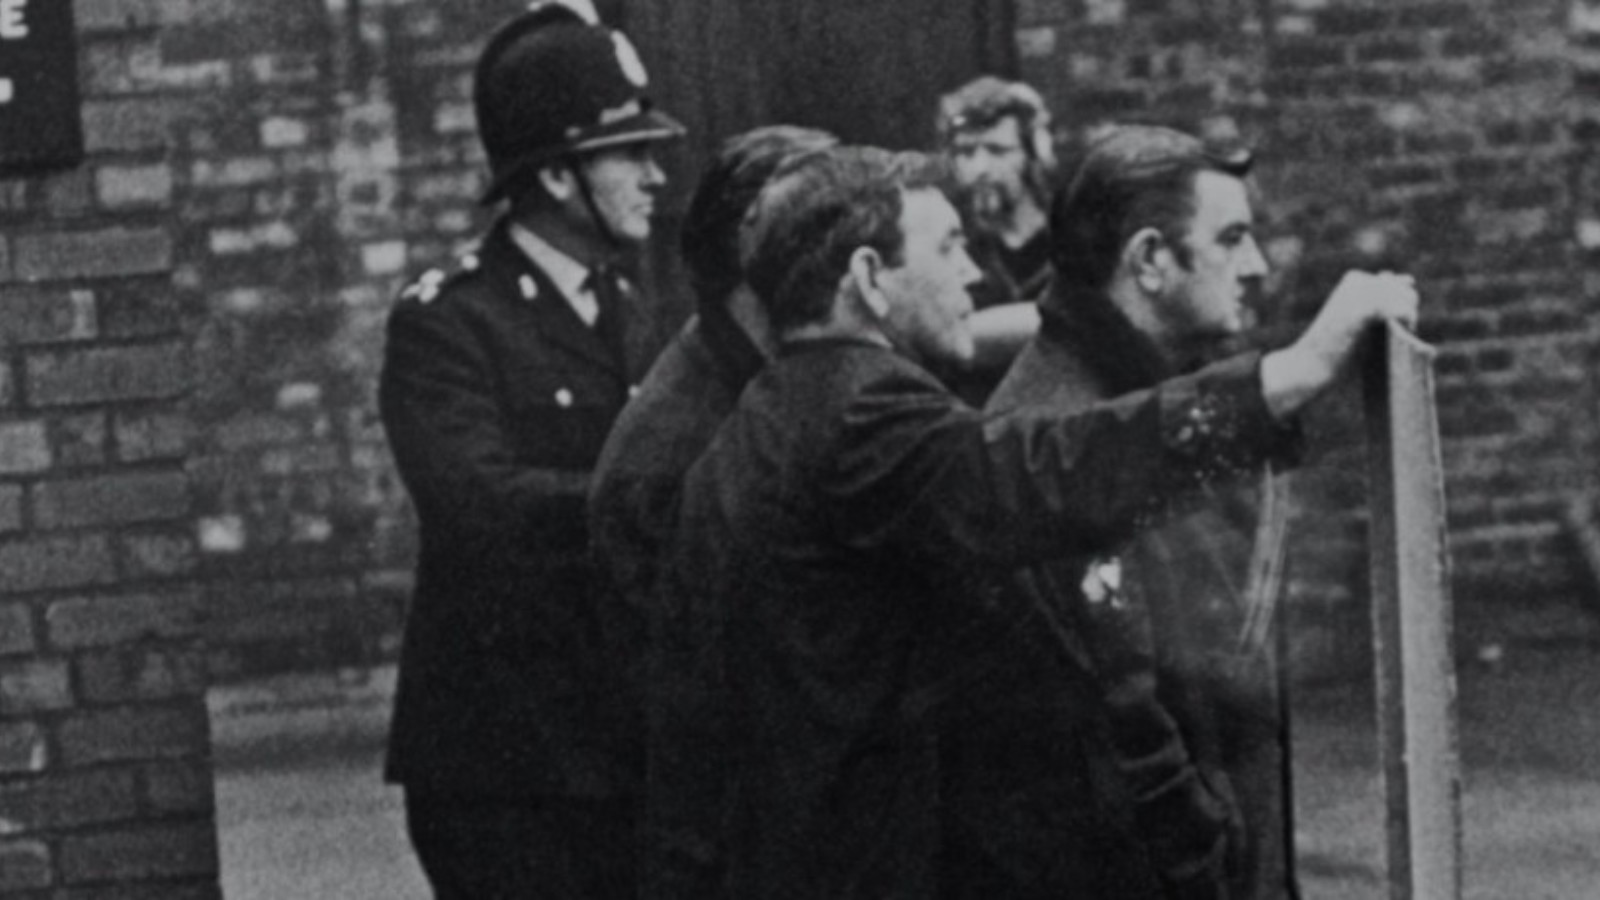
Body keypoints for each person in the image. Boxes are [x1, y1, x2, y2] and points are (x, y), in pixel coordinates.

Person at [658, 144, 1414, 897]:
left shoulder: (772, 416)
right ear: (867, 280)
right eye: (949, 247)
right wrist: (1292, 374)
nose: (973, 276)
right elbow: (1051, 469)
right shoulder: (859, 416)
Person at [376, 3, 684, 896]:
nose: (655, 175)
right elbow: (481, 508)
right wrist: (658, 496)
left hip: (614, 747)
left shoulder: (630, 306)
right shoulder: (450, 322)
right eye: (631, 153)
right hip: (501, 767)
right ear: (555, 177)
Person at [988, 124, 1329, 899]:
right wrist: (1209, 853)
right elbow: (1121, 724)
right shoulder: (1061, 429)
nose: (1257, 266)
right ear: (1148, 261)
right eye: (1232, 239)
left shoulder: (1130, 399)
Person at [583, 124, 837, 896]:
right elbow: (718, 717)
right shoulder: (686, 450)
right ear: (766, 264)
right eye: (836, 246)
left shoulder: (758, 383)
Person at [935, 75, 1057, 401]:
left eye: (997, 150)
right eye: (965, 151)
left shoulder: (1072, 236)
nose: (979, 167)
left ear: (1034, 154)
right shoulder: (947, 246)